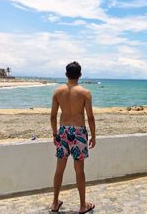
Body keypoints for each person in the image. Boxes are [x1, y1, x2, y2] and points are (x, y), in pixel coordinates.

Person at [50, 61, 96, 213]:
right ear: (80, 75)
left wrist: (55, 134)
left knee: (59, 169)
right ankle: (83, 206)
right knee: (79, 170)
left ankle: (55, 203)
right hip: (78, 133)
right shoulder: (85, 93)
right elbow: (90, 117)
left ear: (66, 74)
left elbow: (52, 116)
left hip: (63, 132)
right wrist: (94, 136)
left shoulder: (58, 92)